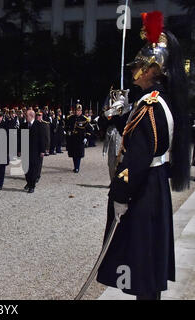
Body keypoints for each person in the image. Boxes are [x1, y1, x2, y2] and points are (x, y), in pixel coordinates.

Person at [96, 12, 191, 300]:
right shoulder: (154, 102)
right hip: (153, 185)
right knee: (147, 265)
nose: (135, 68)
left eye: (140, 64)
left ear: (153, 68)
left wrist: (121, 194)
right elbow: (135, 137)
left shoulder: (150, 106)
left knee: (142, 264)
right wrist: (118, 116)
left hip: (143, 188)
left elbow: (137, 157)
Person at [21, 110, 47, 193]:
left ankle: (32, 185)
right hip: (25, 150)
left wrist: (42, 150)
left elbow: (43, 139)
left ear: (31, 116)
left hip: (35, 151)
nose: (25, 117)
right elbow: (20, 139)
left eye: (27, 116)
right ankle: (28, 182)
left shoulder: (39, 125)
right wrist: (19, 149)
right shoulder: (24, 125)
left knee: (33, 169)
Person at [65, 104, 93, 173]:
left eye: (79, 110)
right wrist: (67, 132)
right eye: (76, 110)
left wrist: (86, 137)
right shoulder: (70, 118)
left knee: (79, 154)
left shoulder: (84, 119)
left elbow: (90, 130)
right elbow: (66, 126)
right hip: (72, 139)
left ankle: (77, 167)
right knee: (73, 154)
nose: (77, 112)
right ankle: (75, 166)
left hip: (80, 138)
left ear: (81, 111)